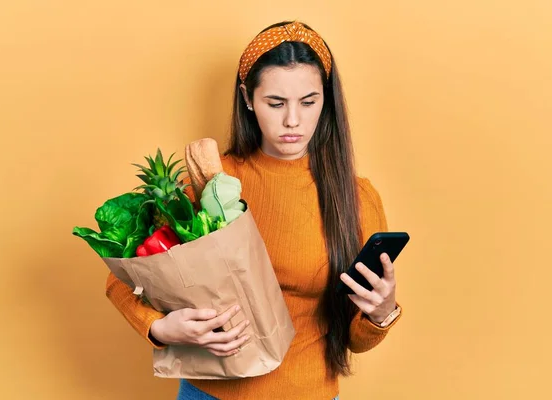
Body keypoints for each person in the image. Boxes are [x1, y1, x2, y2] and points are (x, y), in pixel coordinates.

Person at [105, 20, 403, 400]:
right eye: (275, 103)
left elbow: (356, 342)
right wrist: (161, 328)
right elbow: (122, 278)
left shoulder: (356, 198)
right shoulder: (209, 180)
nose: (292, 120)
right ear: (248, 98)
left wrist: (382, 311)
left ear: (326, 99)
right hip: (208, 393)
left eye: (308, 102)